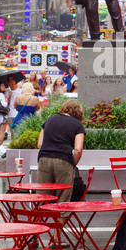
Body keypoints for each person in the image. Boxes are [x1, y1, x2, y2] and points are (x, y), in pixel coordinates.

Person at [37, 100, 85, 242]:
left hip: (44, 159)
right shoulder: (77, 125)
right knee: (62, 201)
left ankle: (32, 237)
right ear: (78, 113)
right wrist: (72, 164)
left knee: (41, 199)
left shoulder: (50, 119)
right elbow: (78, 149)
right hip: (63, 161)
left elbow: (40, 144)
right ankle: (56, 238)